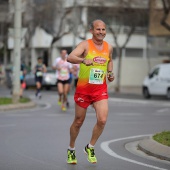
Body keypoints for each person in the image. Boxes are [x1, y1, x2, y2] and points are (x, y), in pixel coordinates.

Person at [66, 19, 115, 164]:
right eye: (98, 29)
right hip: (83, 90)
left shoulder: (109, 47)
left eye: (103, 29)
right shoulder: (85, 45)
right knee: (78, 121)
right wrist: (82, 60)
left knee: (102, 120)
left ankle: (90, 146)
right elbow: (70, 57)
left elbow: (110, 60)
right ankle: (71, 149)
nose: (101, 32)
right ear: (92, 31)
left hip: (100, 90)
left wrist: (110, 72)